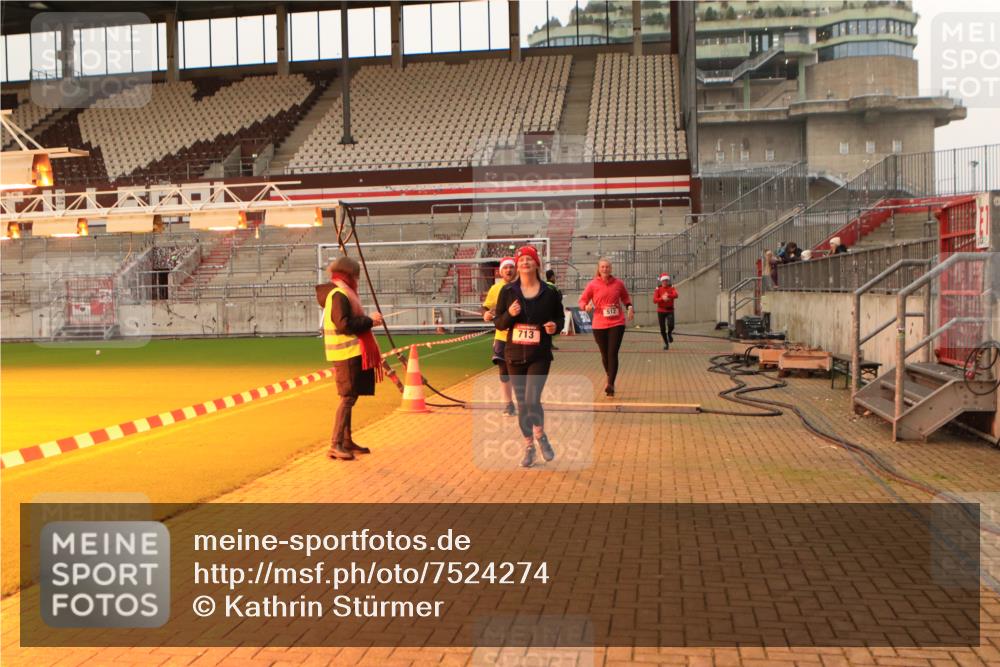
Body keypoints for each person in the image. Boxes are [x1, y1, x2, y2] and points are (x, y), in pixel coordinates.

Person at [493, 245, 565, 468]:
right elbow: (499, 323)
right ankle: (529, 446)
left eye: (529, 259)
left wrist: (556, 326)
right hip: (514, 354)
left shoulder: (550, 292)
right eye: (521, 260)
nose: (524, 263)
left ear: (537, 264)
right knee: (523, 405)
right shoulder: (507, 292)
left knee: (533, 399)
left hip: (539, 354)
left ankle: (541, 436)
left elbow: (559, 319)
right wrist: (509, 314)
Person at [318, 256, 384, 461]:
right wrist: (369, 321)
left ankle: (346, 441)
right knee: (347, 398)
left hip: (349, 353)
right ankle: (335, 444)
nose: (357, 279)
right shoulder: (339, 294)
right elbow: (344, 325)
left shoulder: (340, 292)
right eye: (356, 275)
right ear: (349, 275)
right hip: (346, 353)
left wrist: (368, 322)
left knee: (351, 396)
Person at [578, 257, 633, 397]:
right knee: (604, 354)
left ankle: (610, 384)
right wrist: (586, 306)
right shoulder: (592, 285)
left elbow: (626, 298)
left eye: (607, 267)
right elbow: (583, 300)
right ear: (598, 269)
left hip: (617, 323)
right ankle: (610, 376)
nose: (605, 269)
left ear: (611, 269)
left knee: (612, 353)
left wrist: (629, 307)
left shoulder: (619, 284)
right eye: (602, 267)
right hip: (599, 324)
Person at [482, 256, 518, 416]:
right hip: (502, 336)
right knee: (504, 372)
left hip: (520, 336)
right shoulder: (495, 289)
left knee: (519, 372)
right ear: (500, 271)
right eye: (505, 268)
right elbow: (486, 307)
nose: (508, 270)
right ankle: (508, 403)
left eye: (511, 267)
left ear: (516, 269)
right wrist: (486, 315)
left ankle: (525, 401)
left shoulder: (523, 286)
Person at [653, 273, 678, 351]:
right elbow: (654, 300)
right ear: (661, 281)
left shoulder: (671, 287)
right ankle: (666, 343)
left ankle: (669, 333)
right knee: (662, 329)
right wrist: (662, 298)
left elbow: (676, 295)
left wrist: (668, 295)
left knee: (671, 325)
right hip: (661, 310)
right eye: (663, 281)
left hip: (670, 310)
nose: (665, 282)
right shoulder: (658, 289)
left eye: (666, 281)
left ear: (668, 281)